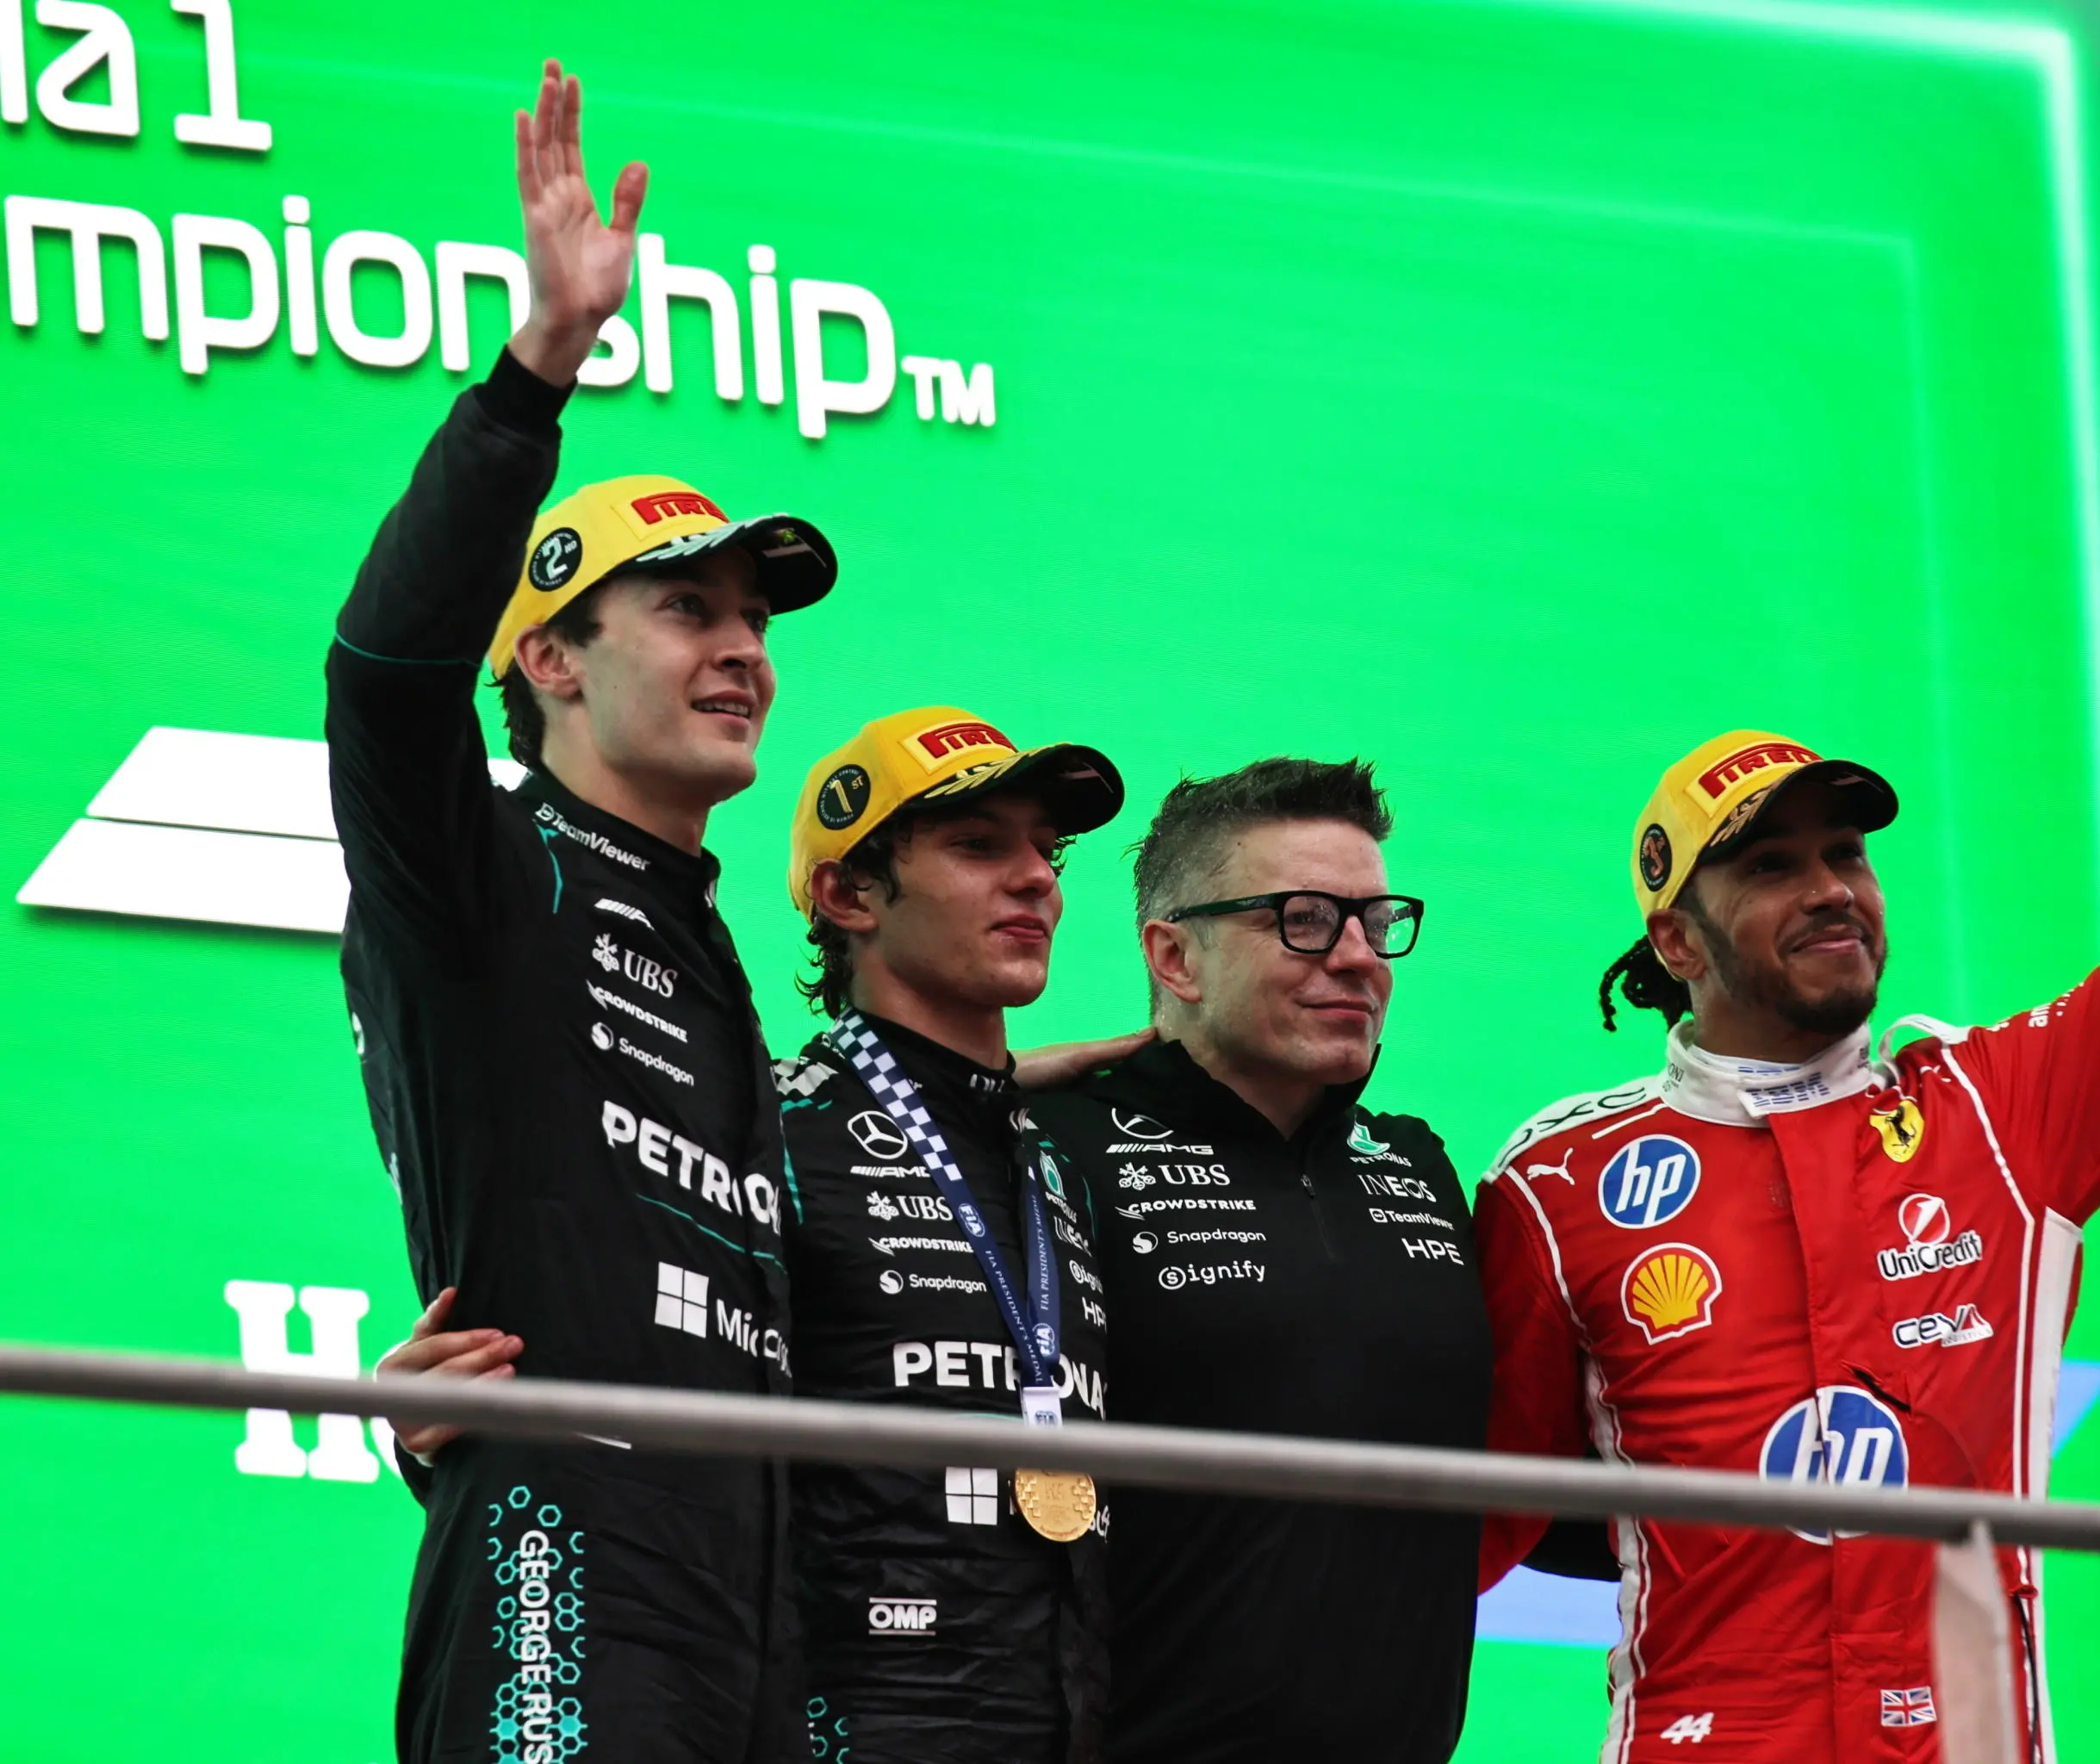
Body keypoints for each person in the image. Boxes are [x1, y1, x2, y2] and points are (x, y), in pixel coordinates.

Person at [1475, 342, 2100, 1761]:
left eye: (1846, 852)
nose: (1831, 884)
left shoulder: (1998, 1111)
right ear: (1677, 945)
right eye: (1771, 866)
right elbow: (1445, 1525)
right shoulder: (1554, 1184)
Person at [332, 60, 836, 1764]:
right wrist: (536, 369)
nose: (743, 649)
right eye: (685, 611)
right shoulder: (486, 865)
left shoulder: (708, 940)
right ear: (547, 660)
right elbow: (384, 676)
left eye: (755, 618)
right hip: (569, 1540)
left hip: (752, 1589)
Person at [1028, 759, 1493, 1764]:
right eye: (1305, 917)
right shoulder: (1047, 1144)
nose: (1359, 955)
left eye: (1377, 920)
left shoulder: (1416, 1162)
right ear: (1174, 955)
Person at [773, 708, 1132, 1763]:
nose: (1038, 879)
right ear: (849, 894)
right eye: (980, 845)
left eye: (1047, 850)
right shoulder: (773, 1123)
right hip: (846, 1722)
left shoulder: (1051, 1153)